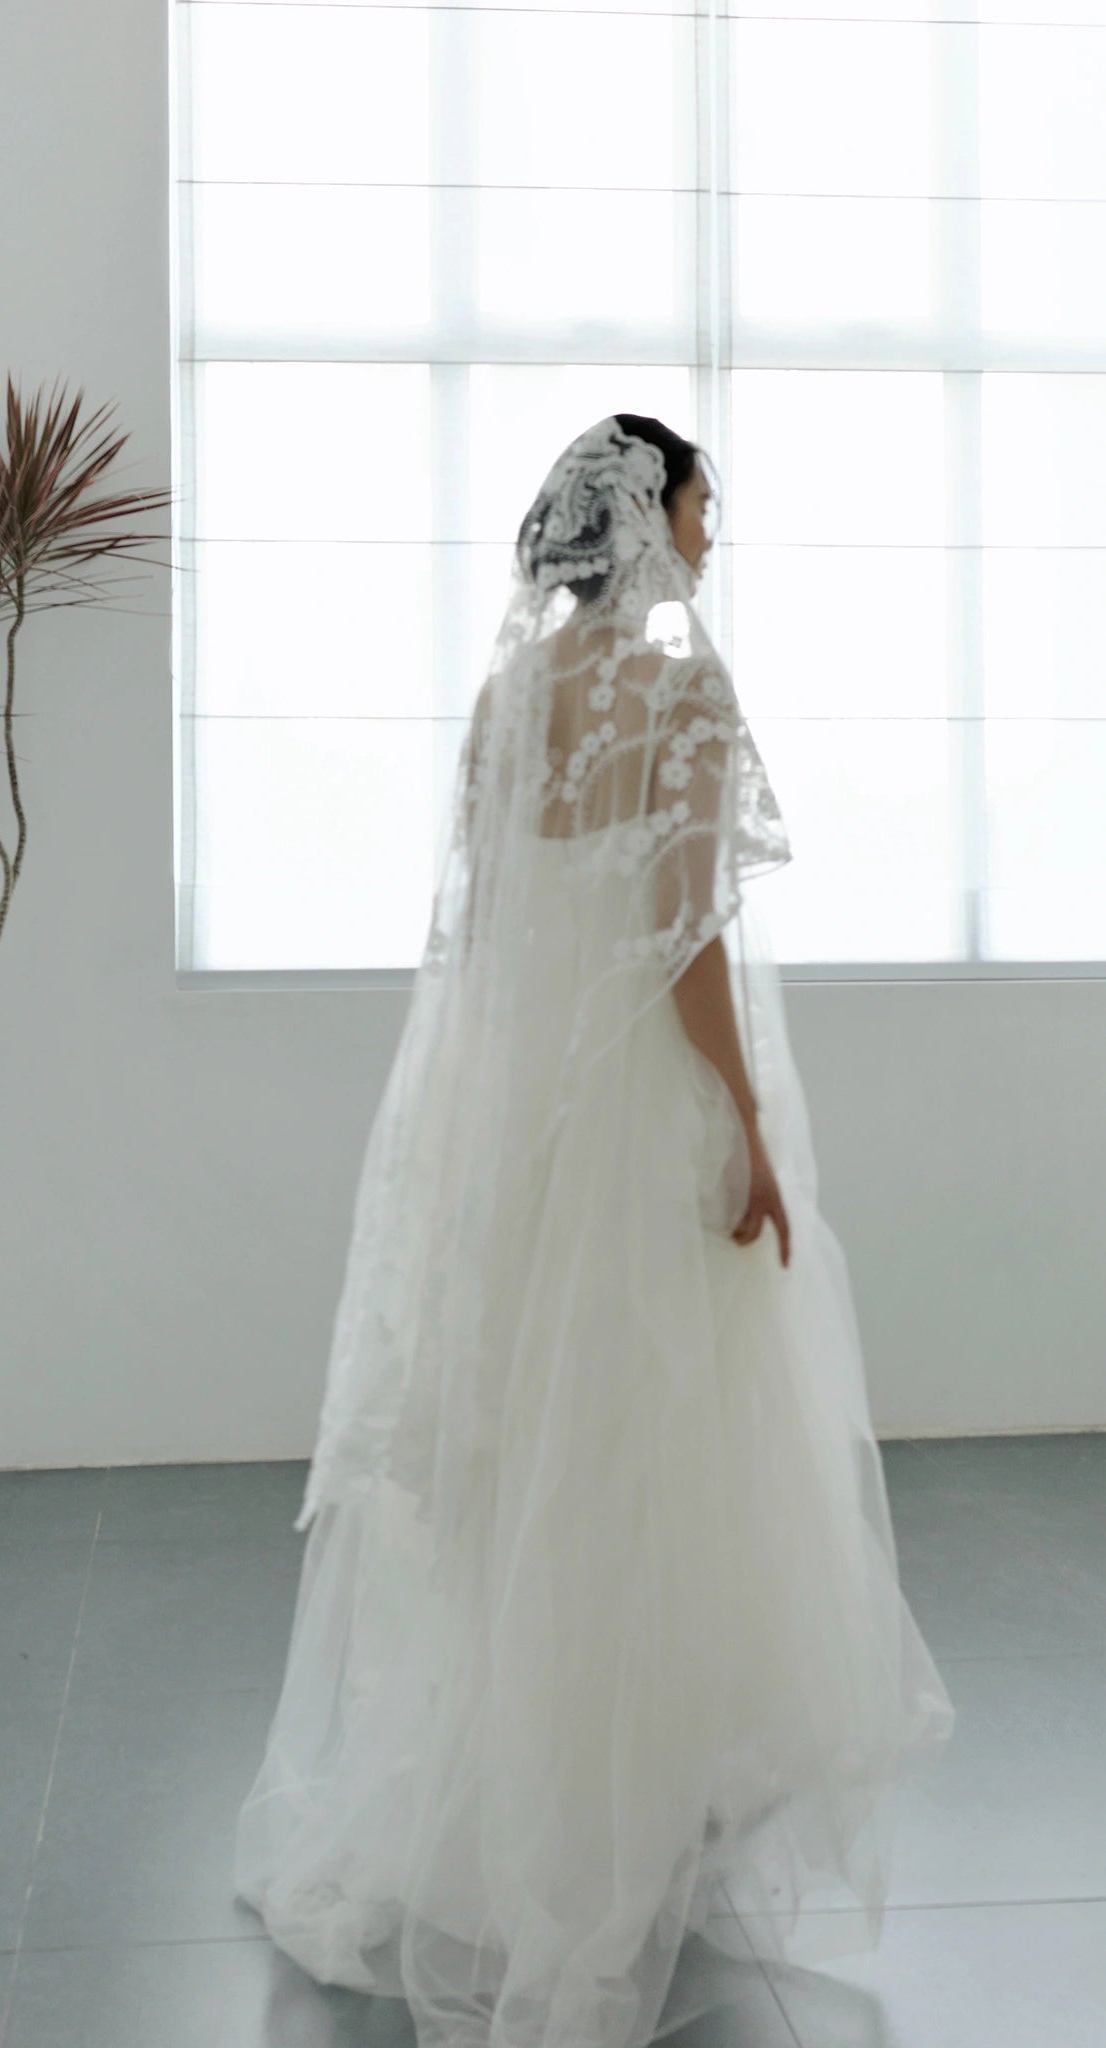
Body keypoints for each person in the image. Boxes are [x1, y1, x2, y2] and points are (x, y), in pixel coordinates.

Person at [233, 414, 956, 2048]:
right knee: (650, 1441)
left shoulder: (509, 696)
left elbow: (487, 930)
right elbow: (685, 934)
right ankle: (619, 1804)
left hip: (517, 1116)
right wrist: (748, 1124)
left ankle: (526, 1792)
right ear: (646, 517)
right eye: (702, 503)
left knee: (525, 1448)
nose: (711, 532)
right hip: (636, 1106)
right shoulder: (681, 689)